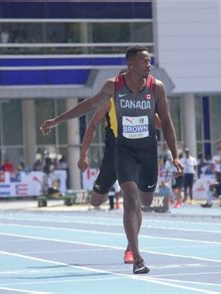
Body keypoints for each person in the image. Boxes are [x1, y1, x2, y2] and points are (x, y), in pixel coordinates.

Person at [41, 45, 182, 274]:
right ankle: (137, 258)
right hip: (123, 149)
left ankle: (133, 244)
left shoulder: (156, 87)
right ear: (131, 64)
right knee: (130, 199)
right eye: (144, 61)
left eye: (149, 61)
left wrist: (175, 154)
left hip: (147, 151)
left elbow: (165, 121)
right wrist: (57, 120)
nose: (148, 65)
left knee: (145, 202)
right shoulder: (113, 86)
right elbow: (87, 105)